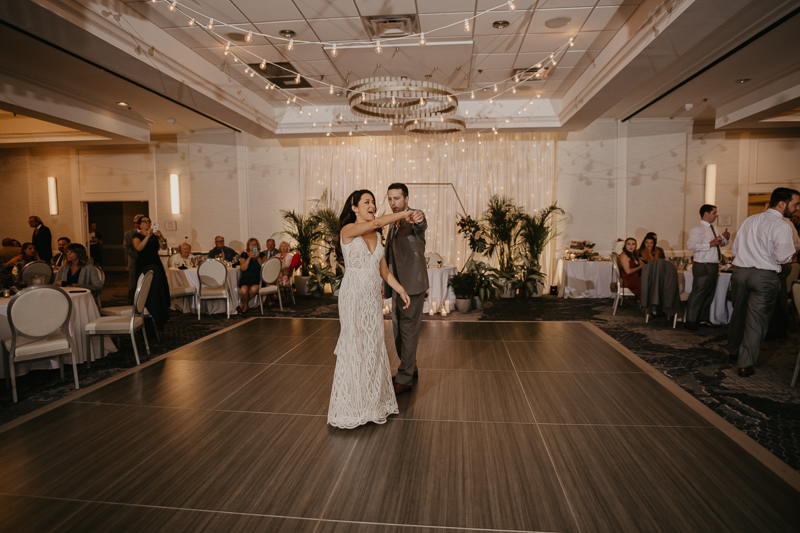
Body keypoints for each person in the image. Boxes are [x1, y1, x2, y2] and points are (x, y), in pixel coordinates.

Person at [328, 189, 421, 429]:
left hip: (371, 299)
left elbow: (384, 271)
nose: (372, 206)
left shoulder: (377, 236)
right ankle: (351, 407)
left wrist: (400, 290)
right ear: (354, 208)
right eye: (366, 202)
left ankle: (372, 405)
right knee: (355, 347)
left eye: (372, 202)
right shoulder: (347, 231)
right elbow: (380, 220)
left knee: (373, 347)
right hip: (353, 297)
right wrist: (407, 213)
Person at [727, 187, 800, 377]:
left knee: (738, 313)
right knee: (756, 320)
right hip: (764, 276)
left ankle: (733, 351)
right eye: (796, 204)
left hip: (740, 273)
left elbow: (735, 249)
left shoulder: (749, 220)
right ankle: (745, 363)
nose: (797, 208)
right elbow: (783, 258)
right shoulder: (783, 225)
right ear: (782, 204)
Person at [384, 182, 428, 395]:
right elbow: (390, 257)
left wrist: (416, 216)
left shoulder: (413, 217)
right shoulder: (392, 223)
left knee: (408, 330)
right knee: (399, 331)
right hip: (397, 287)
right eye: (390, 199)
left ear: (406, 199)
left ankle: (405, 378)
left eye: (397, 198)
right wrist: (388, 286)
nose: (393, 203)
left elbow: (420, 222)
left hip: (412, 285)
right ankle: (411, 368)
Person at [685, 204, 729, 330]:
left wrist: (725, 239)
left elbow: (718, 244)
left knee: (709, 293)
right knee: (698, 293)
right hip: (703, 265)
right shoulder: (697, 229)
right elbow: (691, 246)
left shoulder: (713, 227)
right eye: (714, 213)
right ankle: (691, 320)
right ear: (706, 213)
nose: (716, 215)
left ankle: (702, 319)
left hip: (713, 264)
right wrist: (710, 243)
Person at [133, 216, 171, 328]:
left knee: (161, 287)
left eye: (149, 222)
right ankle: (147, 313)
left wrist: (161, 236)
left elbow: (164, 247)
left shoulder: (155, 236)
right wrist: (147, 237)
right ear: (139, 225)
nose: (148, 224)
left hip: (156, 263)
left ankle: (162, 315)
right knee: (147, 289)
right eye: (145, 222)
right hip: (143, 265)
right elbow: (139, 248)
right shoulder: (137, 236)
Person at [237, 237, 267, 314]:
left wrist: (257, 258)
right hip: (246, 279)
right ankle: (246, 305)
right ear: (248, 246)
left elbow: (264, 267)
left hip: (257, 280)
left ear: (257, 245)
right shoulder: (244, 254)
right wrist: (249, 257)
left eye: (255, 244)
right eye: (251, 244)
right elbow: (243, 268)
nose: (253, 245)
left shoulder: (262, 255)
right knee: (243, 290)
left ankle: (244, 305)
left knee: (254, 289)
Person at [123, 214, 145, 304]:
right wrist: (137, 255)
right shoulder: (128, 234)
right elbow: (126, 248)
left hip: (146, 261)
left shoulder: (148, 233)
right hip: (134, 260)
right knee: (133, 281)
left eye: (138, 222)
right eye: (134, 223)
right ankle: (132, 300)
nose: (136, 225)